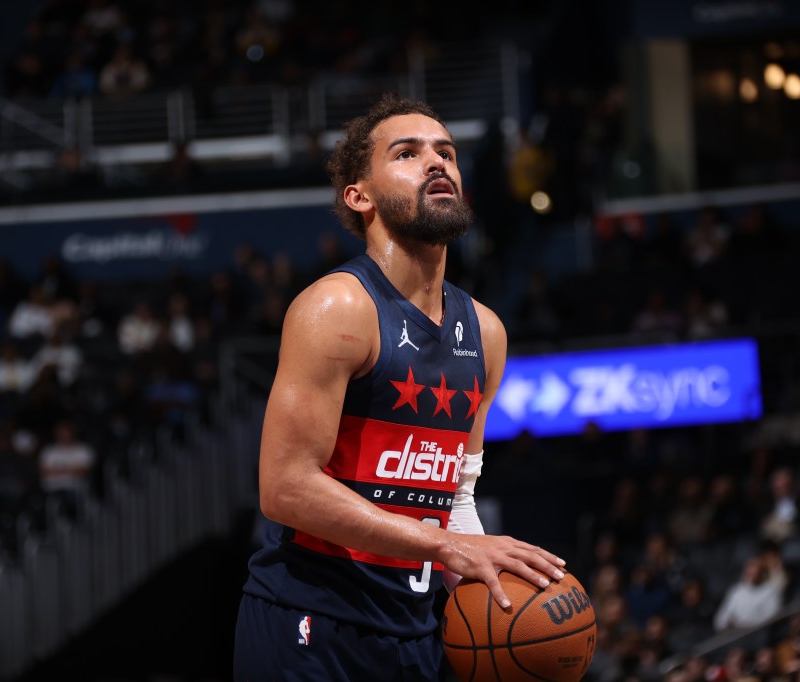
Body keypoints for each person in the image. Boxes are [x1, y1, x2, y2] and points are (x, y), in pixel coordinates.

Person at [232, 93, 566, 681]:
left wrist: (499, 599)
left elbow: (454, 498)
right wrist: (443, 548)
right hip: (310, 621)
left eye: (447, 153)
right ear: (359, 196)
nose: (437, 163)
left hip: (415, 628)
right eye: (407, 153)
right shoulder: (337, 307)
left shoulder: (485, 332)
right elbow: (285, 488)